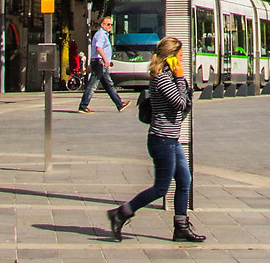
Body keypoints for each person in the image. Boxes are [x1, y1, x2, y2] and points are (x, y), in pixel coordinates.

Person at [107, 35, 205, 241]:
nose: (182, 60)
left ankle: (181, 226)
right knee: (161, 187)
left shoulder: (170, 77)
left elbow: (186, 105)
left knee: (184, 180)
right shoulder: (162, 78)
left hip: (171, 140)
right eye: (179, 56)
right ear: (170, 57)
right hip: (162, 140)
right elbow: (180, 104)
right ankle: (121, 213)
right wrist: (179, 78)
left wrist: (182, 85)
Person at [80, 13, 123, 113]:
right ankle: (83, 105)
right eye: (108, 24)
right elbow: (99, 48)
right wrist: (106, 60)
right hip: (100, 63)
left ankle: (119, 104)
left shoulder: (104, 35)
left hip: (99, 63)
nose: (110, 27)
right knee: (92, 85)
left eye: (111, 25)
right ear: (102, 25)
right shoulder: (101, 35)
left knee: (108, 85)